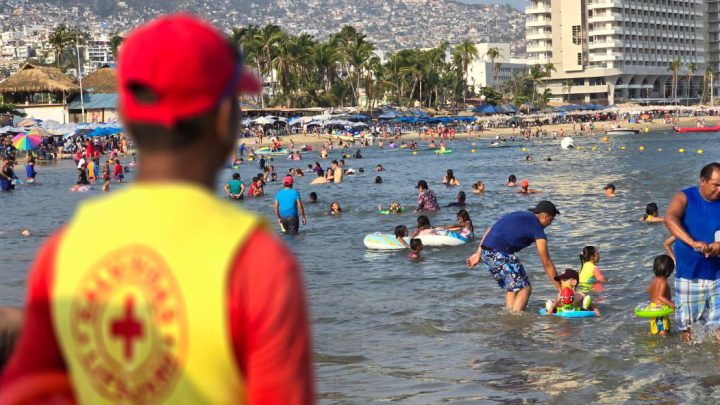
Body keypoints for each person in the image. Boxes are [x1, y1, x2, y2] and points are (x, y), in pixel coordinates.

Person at [0, 15, 314, 404]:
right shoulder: (257, 263)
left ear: (128, 119)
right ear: (224, 120)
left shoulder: (62, 253)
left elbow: (27, 391)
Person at [466, 200, 561, 312]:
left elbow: (490, 229)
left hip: (488, 251)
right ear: (545, 217)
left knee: (513, 288)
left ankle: (509, 317)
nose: (550, 223)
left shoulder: (520, 215)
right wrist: (560, 288)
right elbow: (546, 262)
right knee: (525, 288)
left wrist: (478, 253)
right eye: (551, 220)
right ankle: (516, 320)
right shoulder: (537, 229)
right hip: (499, 253)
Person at [665, 162, 720, 342]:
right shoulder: (685, 197)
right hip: (690, 275)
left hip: (718, 275)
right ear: (702, 181)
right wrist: (693, 243)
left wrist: (717, 247)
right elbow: (669, 218)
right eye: (716, 185)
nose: (719, 189)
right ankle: (687, 368)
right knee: (688, 331)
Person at [647, 254, 676, 335]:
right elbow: (661, 297)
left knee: (656, 329)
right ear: (670, 270)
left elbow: (649, 290)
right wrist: (673, 305)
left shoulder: (654, 280)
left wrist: (654, 298)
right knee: (663, 331)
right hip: (660, 311)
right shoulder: (663, 283)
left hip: (654, 308)